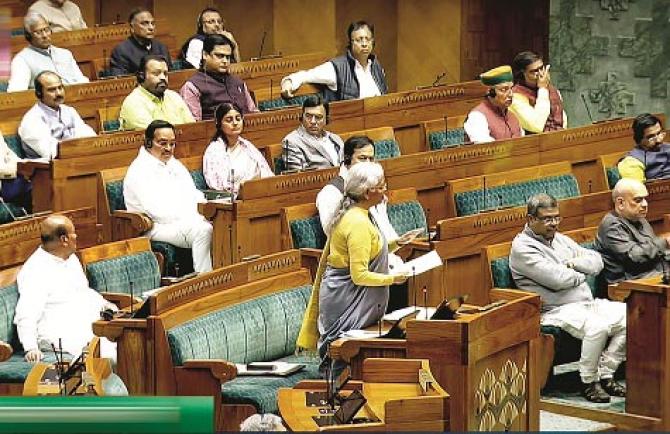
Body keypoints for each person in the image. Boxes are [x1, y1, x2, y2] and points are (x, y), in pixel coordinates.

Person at [509, 193, 626, 403]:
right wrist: (581, 270)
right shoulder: (522, 248)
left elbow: (597, 262)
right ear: (530, 219)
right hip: (555, 311)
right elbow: (557, 280)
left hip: (585, 304)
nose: (553, 223)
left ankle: (606, 373)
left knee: (630, 316)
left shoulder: (560, 239)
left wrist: (572, 265)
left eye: (556, 218)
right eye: (547, 219)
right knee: (597, 326)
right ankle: (588, 382)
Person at [297, 162, 411, 373]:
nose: (386, 189)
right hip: (346, 302)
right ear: (368, 193)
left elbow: (369, 251)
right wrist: (393, 279)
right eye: (382, 185)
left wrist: (397, 243)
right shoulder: (357, 222)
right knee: (342, 360)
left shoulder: (361, 214)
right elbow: (359, 276)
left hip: (351, 298)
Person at [14, 214, 118, 361]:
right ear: (64, 240)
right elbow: (26, 314)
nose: (76, 236)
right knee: (111, 356)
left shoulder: (70, 257)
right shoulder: (35, 270)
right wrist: (31, 348)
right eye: (73, 233)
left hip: (85, 322)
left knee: (127, 342)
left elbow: (83, 291)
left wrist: (106, 305)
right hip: (60, 332)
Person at [124, 120, 212, 273]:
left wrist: (205, 210)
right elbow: (155, 211)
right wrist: (193, 217)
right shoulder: (139, 170)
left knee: (224, 223)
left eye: (172, 144)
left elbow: (193, 192)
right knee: (203, 231)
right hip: (156, 226)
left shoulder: (174, 163)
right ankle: (205, 280)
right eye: (163, 143)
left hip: (185, 220)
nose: (168, 149)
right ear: (148, 143)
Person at [281, 21, 388, 102]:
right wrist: (288, 83)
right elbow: (306, 75)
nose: (364, 44)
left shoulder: (376, 67)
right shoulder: (336, 68)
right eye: (359, 40)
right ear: (350, 43)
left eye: (367, 39)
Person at [595, 178, 670, 283]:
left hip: (655, 275)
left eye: (645, 199)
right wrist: (664, 242)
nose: (645, 204)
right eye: (638, 200)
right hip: (631, 285)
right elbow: (634, 257)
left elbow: (655, 251)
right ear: (621, 203)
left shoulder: (639, 219)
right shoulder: (612, 225)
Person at [18, 71, 96, 160]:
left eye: (60, 88)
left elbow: (90, 137)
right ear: (39, 93)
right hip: (47, 169)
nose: (58, 93)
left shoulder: (69, 111)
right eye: (52, 90)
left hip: (77, 159)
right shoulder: (32, 120)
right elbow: (52, 153)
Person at [179, 34, 257, 121]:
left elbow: (253, 113)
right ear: (205, 55)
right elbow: (194, 125)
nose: (225, 61)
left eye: (228, 57)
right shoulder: (192, 86)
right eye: (219, 56)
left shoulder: (238, 82)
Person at [203, 103, 273, 197]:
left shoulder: (247, 145)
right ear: (219, 124)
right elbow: (217, 185)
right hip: (236, 200)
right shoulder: (214, 150)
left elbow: (266, 172)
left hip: (261, 193)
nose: (235, 123)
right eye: (229, 120)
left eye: (238, 119)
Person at [7, 12, 88, 92]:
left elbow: (81, 80)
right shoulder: (22, 60)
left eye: (46, 30)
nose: (45, 35)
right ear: (28, 36)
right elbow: (16, 92)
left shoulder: (65, 54)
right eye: (38, 32)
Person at [119, 55, 195, 131]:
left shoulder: (174, 96)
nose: (163, 77)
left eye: (165, 73)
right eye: (156, 73)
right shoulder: (133, 102)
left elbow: (192, 128)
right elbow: (154, 136)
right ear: (142, 76)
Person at [281, 95, 343, 171]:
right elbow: (298, 177)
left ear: (326, 119)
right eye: (308, 116)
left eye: (318, 117)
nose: (313, 121)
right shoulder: (291, 141)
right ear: (301, 117)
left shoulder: (336, 138)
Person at [463, 65, 524, 144]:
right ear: (491, 92)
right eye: (504, 90)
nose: (511, 94)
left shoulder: (513, 116)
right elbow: (486, 148)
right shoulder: (477, 116)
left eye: (511, 88)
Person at [510, 51, 567, 133]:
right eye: (534, 71)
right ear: (523, 73)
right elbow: (537, 125)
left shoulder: (552, 90)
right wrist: (542, 89)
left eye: (541, 68)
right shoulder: (516, 97)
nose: (540, 74)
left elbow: (562, 120)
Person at [109, 8, 171, 76]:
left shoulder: (161, 47)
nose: (151, 28)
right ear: (132, 28)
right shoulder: (121, 51)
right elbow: (120, 80)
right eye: (144, 23)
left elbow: (171, 74)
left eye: (152, 23)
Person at [617, 113, 669, 183]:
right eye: (651, 137)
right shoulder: (631, 162)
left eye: (659, 133)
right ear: (639, 139)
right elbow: (636, 191)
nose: (658, 140)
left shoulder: (667, 147)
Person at [0, 131, 32, 212]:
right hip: (3, 182)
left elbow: (8, 153)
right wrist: (17, 168)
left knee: (42, 182)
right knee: (34, 188)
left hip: (12, 175)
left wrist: (23, 165)